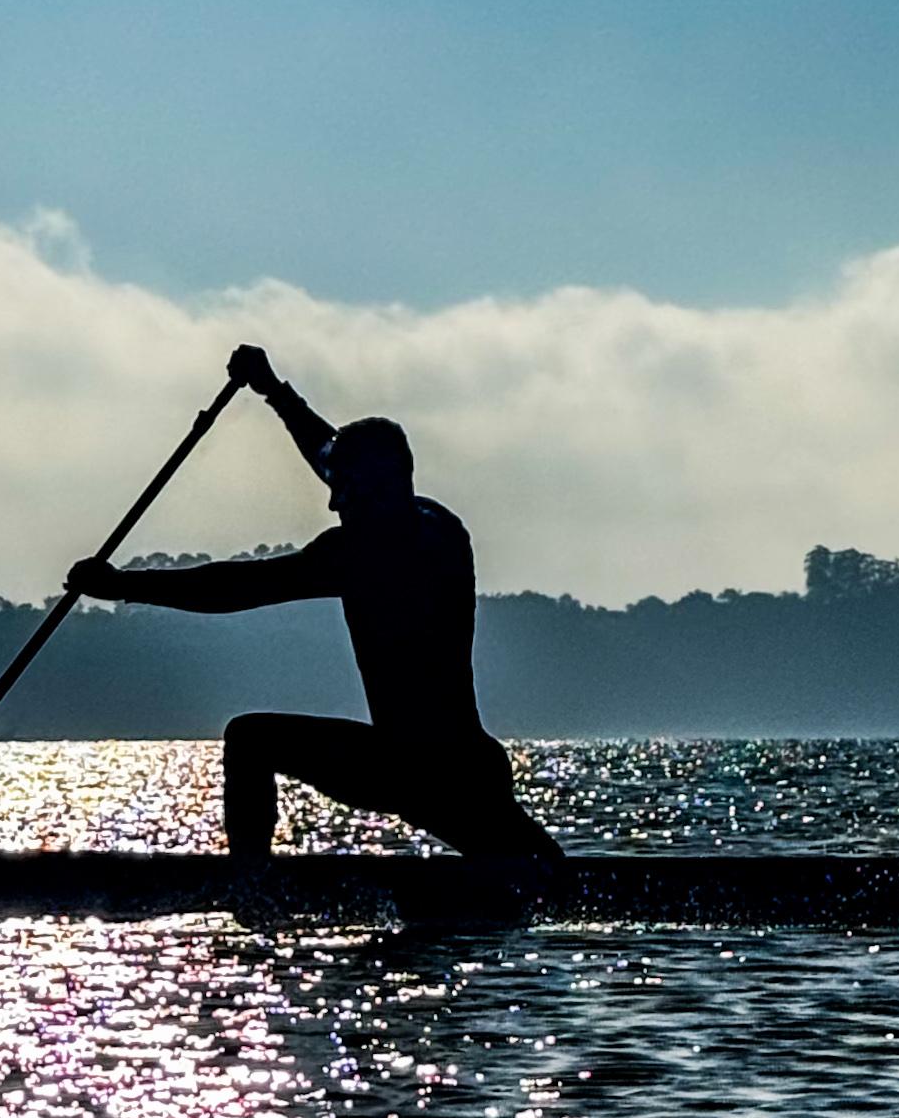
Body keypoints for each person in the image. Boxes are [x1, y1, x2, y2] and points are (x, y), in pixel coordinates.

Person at [69, 343, 568, 869]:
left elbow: (239, 588)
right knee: (543, 878)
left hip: (416, 770)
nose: (332, 502)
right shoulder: (440, 526)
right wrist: (274, 392)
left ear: (380, 487)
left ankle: (250, 890)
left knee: (250, 738)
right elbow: (329, 453)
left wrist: (126, 586)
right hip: (462, 765)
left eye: (345, 491)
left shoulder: (362, 554)